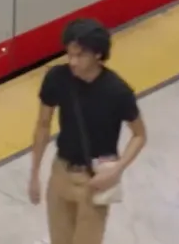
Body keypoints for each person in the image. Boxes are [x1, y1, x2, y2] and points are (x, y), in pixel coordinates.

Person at [28, 19, 147, 244]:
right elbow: (43, 125)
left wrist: (117, 169)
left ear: (98, 55)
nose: (72, 62)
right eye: (69, 54)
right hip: (61, 172)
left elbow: (140, 135)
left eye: (80, 56)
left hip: (95, 179)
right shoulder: (57, 78)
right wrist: (34, 173)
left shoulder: (117, 91)